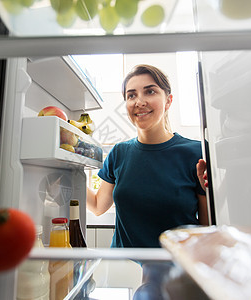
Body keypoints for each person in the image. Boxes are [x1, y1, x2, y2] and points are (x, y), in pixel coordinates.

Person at [86, 64, 209, 248]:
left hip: (174, 269)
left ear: (168, 101)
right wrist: (68, 169)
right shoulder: (119, 153)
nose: (139, 102)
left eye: (150, 92)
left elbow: (206, 229)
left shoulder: (196, 152)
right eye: (131, 95)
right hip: (123, 268)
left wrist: (207, 192)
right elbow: (97, 206)